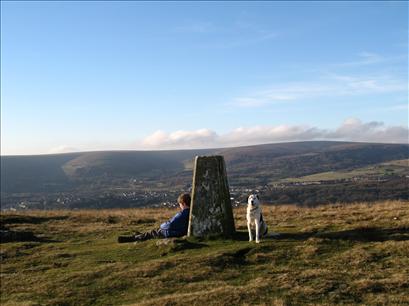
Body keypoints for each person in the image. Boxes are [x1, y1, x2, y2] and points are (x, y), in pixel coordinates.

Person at [118, 193, 191, 243]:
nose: (180, 206)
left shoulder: (182, 214)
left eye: (180, 204)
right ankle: (138, 235)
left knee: (152, 233)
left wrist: (162, 225)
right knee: (152, 232)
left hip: (172, 233)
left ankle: (132, 239)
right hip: (177, 232)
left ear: (183, 203)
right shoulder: (189, 212)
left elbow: (170, 225)